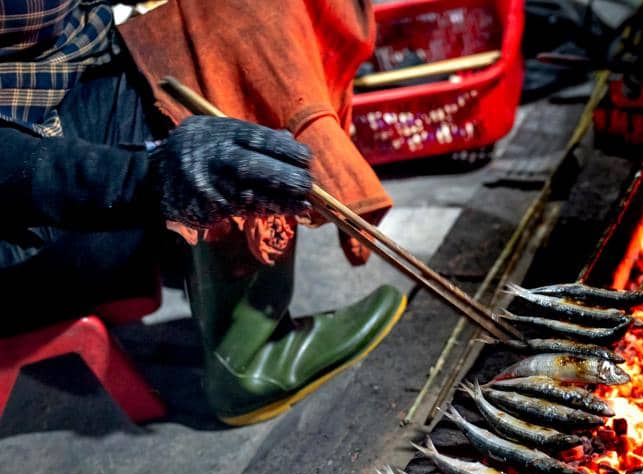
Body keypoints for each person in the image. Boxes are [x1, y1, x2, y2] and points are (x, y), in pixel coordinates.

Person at [0, 0, 406, 425]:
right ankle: (251, 356)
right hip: (23, 226)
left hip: (69, 89)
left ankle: (218, 279)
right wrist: (144, 178)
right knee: (227, 53)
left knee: (235, 13)